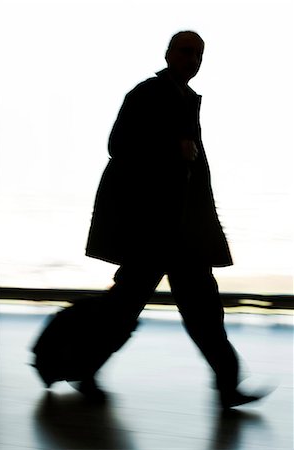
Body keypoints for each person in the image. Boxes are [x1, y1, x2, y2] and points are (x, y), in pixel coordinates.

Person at [84, 31, 263, 409]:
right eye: (186, 52)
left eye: (199, 54)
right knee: (128, 308)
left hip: (179, 232)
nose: (193, 59)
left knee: (201, 311)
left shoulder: (185, 100)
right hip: (151, 230)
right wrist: (171, 149)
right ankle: (83, 368)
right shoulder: (147, 94)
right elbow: (118, 146)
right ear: (168, 54)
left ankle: (228, 385)